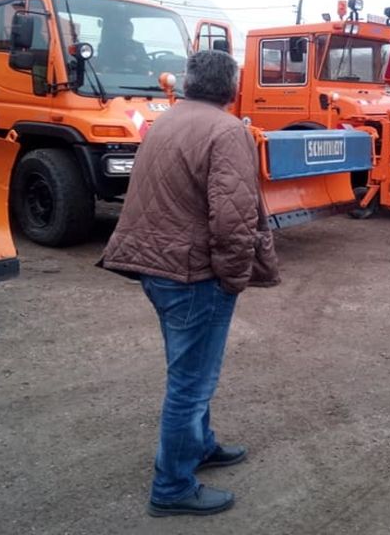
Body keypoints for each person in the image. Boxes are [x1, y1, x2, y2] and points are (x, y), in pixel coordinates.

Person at [99, 49, 280, 517]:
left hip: (157, 269)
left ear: (187, 83)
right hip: (192, 274)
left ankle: (199, 446)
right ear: (233, 88)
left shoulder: (166, 121)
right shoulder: (227, 130)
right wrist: (234, 276)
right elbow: (233, 217)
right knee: (192, 383)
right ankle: (173, 486)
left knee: (190, 373)